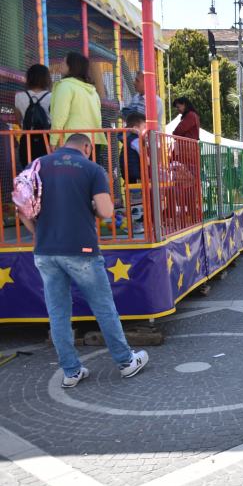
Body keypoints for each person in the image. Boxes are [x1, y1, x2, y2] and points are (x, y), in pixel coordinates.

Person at [18, 133, 148, 387]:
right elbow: (107, 211)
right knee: (103, 307)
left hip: (45, 251)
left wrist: (39, 234)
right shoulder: (92, 169)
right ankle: (125, 362)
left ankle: (71, 371)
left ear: (62, 146)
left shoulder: (36, 165)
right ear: (86, 147)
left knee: (58, 313)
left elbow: (22, 207)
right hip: (82, 250)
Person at [50, 52, 106, 149]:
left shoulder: (65, 86)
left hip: (73, 142)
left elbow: (59, 116)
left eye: (64, 61)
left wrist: (53, 141)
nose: (61, 64)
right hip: (93, 141)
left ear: (71, 66)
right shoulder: (92, 91)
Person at [15, 64, 52, 166]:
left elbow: (18, 120)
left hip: (26, 140)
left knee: (28, 171)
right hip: (47, 140)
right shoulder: (51, 97)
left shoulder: (19, 97)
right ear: (46, 78)